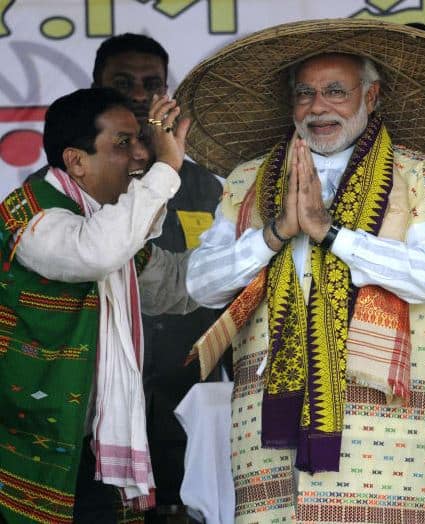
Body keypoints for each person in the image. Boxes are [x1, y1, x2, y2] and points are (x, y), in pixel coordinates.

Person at [179, 20, 425, 523]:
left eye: (335, 91)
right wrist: (275, 234)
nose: (317, 107)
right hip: (268, 425)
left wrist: (333, 234)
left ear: (371, 97)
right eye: (304, 94)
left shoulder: (417, 172)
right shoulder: (248, 178)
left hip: (382, 424)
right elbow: (200, 283)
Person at [0, 87, 197, 523]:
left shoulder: (104, 226)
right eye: (123, 143)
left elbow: (177, 285)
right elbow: (96, 252)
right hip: (29, 446)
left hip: (95, 449)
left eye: (143, 141)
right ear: (75, 161)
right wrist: (166, 168)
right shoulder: (30, 216)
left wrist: (270, 239)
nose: (141, 155)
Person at [92, 33, 225, 521]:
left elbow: (216, 280)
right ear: (97, 86)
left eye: (151, 84)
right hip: (99, 396)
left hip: (189, 389)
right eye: (123, 82)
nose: (138, 94)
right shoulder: (77, 179)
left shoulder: (202, 183)